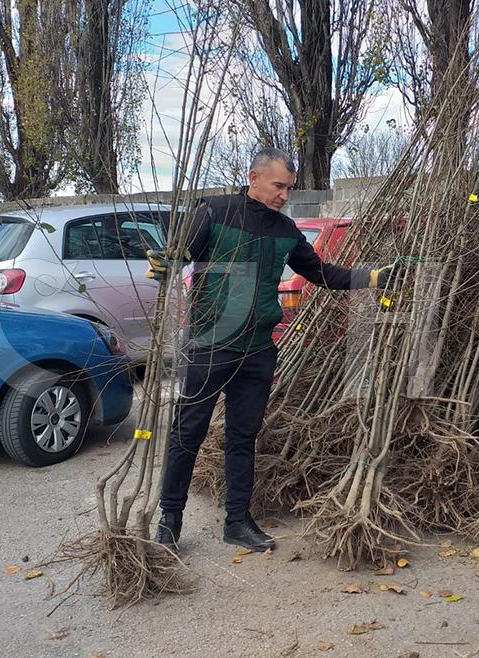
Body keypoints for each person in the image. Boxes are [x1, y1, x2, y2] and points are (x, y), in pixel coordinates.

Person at [150, 147, 399, 553]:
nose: (285, 195)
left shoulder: (286, 230)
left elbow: (322, 273)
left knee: (243, 436)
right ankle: (169, 520)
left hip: (256, 351)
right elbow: (181, 254)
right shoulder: (214, 212)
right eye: (278, 186)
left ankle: (237, 521)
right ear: (254, 178)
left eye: (289, 188)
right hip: (208, 346)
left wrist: (373, 277)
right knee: (186, 433)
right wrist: (165, 262)